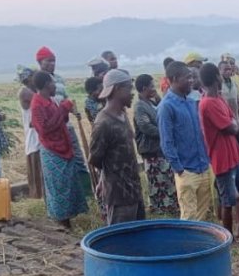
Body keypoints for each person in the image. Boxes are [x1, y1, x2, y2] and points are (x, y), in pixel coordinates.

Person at [198, 63, 239, 238]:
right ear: (216, 77)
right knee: (228, 200)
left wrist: (234, 124)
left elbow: (234, 121)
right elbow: (231, 127)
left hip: (234, 155)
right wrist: (234, 124)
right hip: (221, 159)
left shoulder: (219, 99)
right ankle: (228, 237)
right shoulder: (207, 103)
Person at [30, 71, 89, 228]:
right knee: (59, 188)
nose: (55, 85)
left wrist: (66, 111)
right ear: (46, 85)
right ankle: (62, 224)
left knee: (67, 184)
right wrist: (63, 109)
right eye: (52, 83)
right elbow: (44, 129)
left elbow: (59, 120)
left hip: (62, 147)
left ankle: (67, 221)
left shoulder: (49, 100)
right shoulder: (37, 105)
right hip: (52, 150)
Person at [36, 46, 94, 199]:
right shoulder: (38, 82)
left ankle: (86, 193)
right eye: (48, 61)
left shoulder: (59, 79)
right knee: (60, 164)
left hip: (66, 125)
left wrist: (74, 111)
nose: (52, 64)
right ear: (40, 62)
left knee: (78, 157)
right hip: (53, 132)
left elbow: (67, 99)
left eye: (54, 61)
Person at [88, 70, 145, 225]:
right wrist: (105, 179)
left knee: (139, 237)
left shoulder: (122, 115)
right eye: (129, 88)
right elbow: (95, 159)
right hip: (118, 197)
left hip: (134, 191)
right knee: (121, 243)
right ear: (117, 89)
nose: (132, 93)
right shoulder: (103, 123)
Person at [158, 61, 213, 221]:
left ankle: (200, 246)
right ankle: (188, 246)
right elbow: (166, 142)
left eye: (192, 77)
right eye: (187, 78)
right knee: (189, 218)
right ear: (174, 79)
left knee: (202, 215)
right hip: (187, 171)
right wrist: (179, 169)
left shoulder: (191, 102)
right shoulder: (166, 107)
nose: (191, 81)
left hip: (203, 167)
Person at [133, 74, 178, 217]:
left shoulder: (151, 102)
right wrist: (165, 132)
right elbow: (146, 127)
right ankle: (162, 212)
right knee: (159, 184)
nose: (154, 89)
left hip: (159, 150)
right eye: (152, 86)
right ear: (144, 88)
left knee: (167, 181)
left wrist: (157, 97)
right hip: (151, 151)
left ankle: (169, 209)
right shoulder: (140, 106)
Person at [17, 66, 44, 199]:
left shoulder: (33, 91)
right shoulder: (25, 92)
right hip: (34, 138)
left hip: (38, 137)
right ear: (28, 79)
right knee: (38, 170)